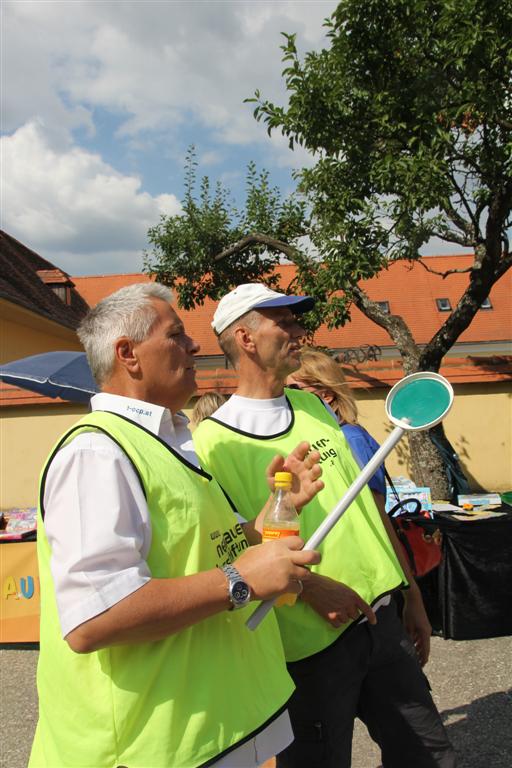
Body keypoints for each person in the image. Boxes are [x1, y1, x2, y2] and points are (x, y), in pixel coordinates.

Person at [29, 282, 324, 768]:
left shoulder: (169, 439)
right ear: (128, 354)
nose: (195, 347)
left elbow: (214, 546)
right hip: (146, 747)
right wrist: (241, 580)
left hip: (209, 729)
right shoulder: (97, 452)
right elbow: (93, 617)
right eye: (176, 335)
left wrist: (276, 508)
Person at [193, 283, 456, 768]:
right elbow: (230, 549)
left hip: (383, 619)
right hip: (309, 644)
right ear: (246, 339)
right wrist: (312, 589)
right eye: (285, 322)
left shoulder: (314, 407)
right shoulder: (210, 445)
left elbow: (365, 510)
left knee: (430, 756)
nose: (299, 331)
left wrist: (410, 594)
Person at [287, 346, 387, 512]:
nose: (288, 395)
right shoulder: (320, 434)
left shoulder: (351, 437)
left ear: (326, 395)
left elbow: (374, 503)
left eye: (294, 389)